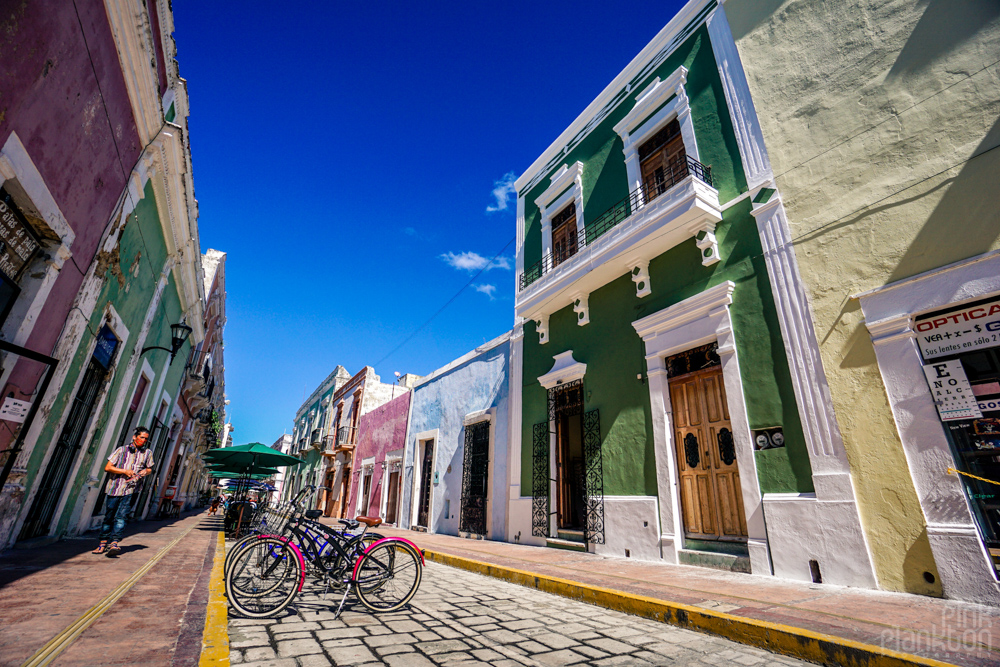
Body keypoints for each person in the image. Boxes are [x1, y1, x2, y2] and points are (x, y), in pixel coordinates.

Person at [93, 426, 154, 557]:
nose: (144, 441)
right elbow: (108, 467)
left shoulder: (147, 453)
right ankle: (102, 543)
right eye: (141, 437)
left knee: (121, 517)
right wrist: (124, 471)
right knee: (109, 516)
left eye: (146, 439)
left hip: (132, 489)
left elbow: (149, 468)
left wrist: (146, 471)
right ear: (134, 437)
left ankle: (114, 543)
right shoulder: (121, 450)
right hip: (115, 488)